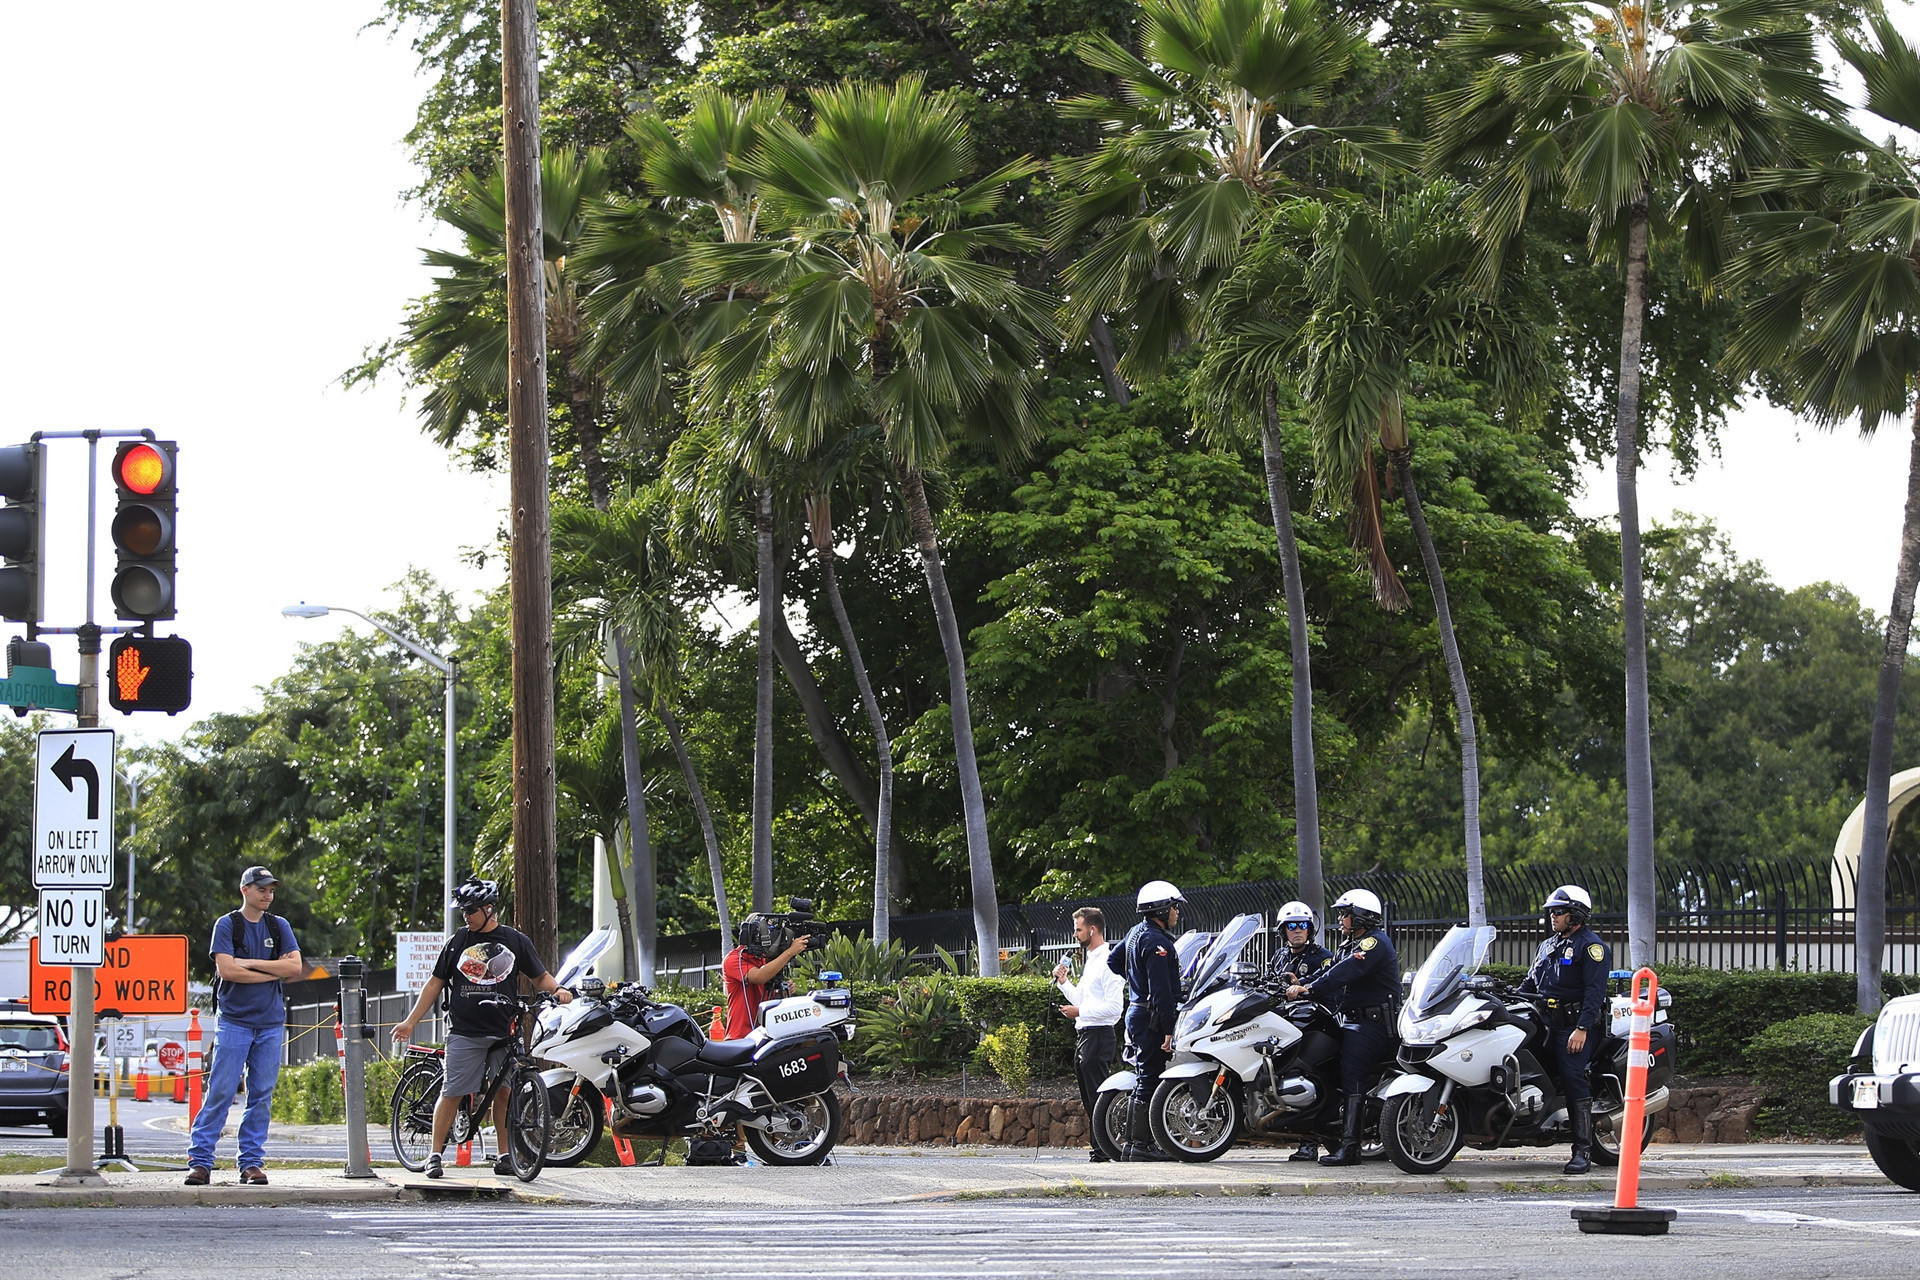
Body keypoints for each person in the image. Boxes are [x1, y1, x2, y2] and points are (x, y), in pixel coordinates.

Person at [392, 878, 572, 1179]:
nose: (466, 916)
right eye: (463, 910)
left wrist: (559, 990)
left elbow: (540, 977)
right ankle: (435, 1155)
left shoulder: (515, 941)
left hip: (503, 1031)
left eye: (472, 910)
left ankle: (504, 1155)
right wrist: (411, 1021)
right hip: (465, 1032)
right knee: (452, 1092)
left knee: (504, 1093)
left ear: (490, 909)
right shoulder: (458, 942)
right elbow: (435, 983)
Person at [185, 866, 303, 1186]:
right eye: (262, 889)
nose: (268, 895)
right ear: (245, 890)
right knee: (221, 1091)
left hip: (270, 1022)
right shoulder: (227, 924)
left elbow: (294, 967)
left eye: (271, 890)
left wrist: (250, 963)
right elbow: (227, 971)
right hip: (234, 1021)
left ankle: (250, 1162)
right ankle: (201, 1161)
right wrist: (271, 972)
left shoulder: (279, 926)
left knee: (261, 1095)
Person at [1287, 887, 1398, 1167]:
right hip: (1351, 1020)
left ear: (1361, 917)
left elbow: (1344, 972)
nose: (1341, 919)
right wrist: (1298, 984)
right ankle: (1328, 1134)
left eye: (1345, 914)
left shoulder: (1374, 944)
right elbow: (1328, 970)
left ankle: (1350, 1149)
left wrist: (1308, 988)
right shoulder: (1350, 945)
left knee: (1352, 1076)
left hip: (1372, 1025)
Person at [1518, 884, 1611, 1174]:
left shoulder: (1592, 947)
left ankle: (1582, 1150)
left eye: (1559, 912)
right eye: (1551, 912)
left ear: (1576, 915)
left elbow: (1595, 993)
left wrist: (1582, 1028)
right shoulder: (1548, 945)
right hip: (1545, 1023)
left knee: (1572, 1074)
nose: (1553, 917)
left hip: (1575, 1027)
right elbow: (1530, 984)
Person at [1107, 880, 1184, 1162]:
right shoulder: (1158, 943)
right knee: (1150, 1077)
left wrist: (1136, 982)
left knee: (1144, 1075)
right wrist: (1168, 1029)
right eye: (1174, 907)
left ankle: (1133, 1145)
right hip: (1150, 1016)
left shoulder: (1135, 932)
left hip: (1136, 1010)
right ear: (1162, 910)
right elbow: (1162, 992)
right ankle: (1140, 1145)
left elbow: (1114, 962)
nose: (1177, 912)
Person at [1053, 907, 1124, 1162]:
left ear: (1092, 930)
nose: (1075, 935)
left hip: (1098, 1035)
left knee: (1097, 1096)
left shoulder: (1108, 960)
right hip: (1085, 1035)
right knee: (1088, 1098)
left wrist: (1080, 1011)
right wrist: (1064, 984)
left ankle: (1104, 1149)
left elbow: (1116, 1008)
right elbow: (1081, 998)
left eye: (1078, 929)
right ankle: (1099, 1148)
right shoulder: (1091, 960)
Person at [1269, 900, 1334, 1161]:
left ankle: (1310, 1142)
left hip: (1318, 1024)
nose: (1297, 930)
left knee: (1308, 1071)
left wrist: (1303, 985)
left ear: (1310, 929)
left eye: (1303, 925)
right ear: (1283, 931)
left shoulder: (1322, 957)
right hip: (1288, 1023)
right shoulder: (1279, 956)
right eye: (1292, 926)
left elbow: (1328, 984)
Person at [719, 913, 812, 1040]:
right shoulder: (734, 959)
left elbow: (767, 996)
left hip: (765, 1036)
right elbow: (760, 976)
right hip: (740, 1038)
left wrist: (783, 991)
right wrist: (789, 952)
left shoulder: (765, 960)